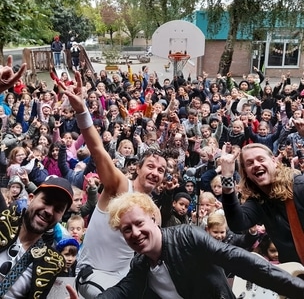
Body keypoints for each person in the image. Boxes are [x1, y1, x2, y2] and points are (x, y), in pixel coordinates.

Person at [66, 191, 304, 299]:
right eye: (127, 230)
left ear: (152, 218)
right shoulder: (140, 263)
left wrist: (297, 288)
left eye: (138, 223)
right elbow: (121, 292)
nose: (135, 233)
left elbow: (240, 261)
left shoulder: (187, 236)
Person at [60, 72, 167, 297]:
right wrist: (81, 111)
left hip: (127, 281)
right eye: (150, 166)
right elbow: (98, 150)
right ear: (137, 168)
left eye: (161, 170)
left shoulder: (154, 212)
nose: (155, 172)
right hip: (94, 275)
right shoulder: (119, 185)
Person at [220, 140, 304, 263]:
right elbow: (237, 223)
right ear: (246, 173)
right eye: (249, 163)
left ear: (275, 162)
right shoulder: (258, 201)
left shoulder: (299, 187)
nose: (256, 165)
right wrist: (227, 179)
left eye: (261, 159)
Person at [0, 176, 74, 298]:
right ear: (30, 199)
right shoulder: (3, 222)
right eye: (46, 201)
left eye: (58, 209)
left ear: (61, 217)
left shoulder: (52, 263)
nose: (49, 211)